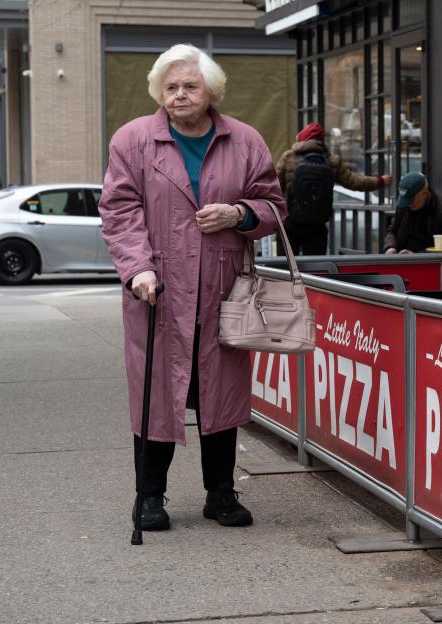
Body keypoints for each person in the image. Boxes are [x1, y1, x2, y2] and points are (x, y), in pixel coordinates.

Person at [99, 44, 287, 531]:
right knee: (157, 392)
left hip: (223, 290)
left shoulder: (245, 141)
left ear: (212, 92)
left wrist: (239, 213)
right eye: (171, 87)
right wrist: (137, 267)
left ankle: (221, 495)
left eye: (190, 86)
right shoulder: (132, 140)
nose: (180, 95)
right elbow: (119, 210)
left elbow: (273, 207)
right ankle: (149, 497)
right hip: (157, 291)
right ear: (159, 92)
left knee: (219, 396)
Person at [275, 122, 391, 255]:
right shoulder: (331, 161)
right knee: (315, 270)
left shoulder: (288, 157)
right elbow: (354, 182)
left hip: (289, 222)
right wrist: (380, 180)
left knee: (284, 269)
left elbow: (273, 185)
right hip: (317, 225)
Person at [383, 172, 442, 254]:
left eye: (411, 199)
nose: (408, 204)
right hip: (403, 257)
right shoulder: (404, 206)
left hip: (432, 262)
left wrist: (418, 256)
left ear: (425, 193)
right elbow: (393, 231)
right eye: (405, 200)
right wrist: (390, 247)